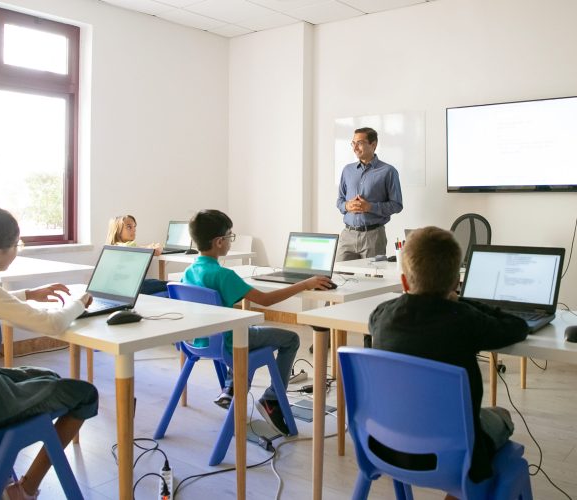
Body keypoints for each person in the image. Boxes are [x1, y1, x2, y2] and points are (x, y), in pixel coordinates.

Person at [369, 226, 528, 493]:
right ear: (456, 282)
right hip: (455, 455)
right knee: (501, 415)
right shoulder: (465, 320)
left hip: (386, 446)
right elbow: (517, 326)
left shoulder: (381, 315)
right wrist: (464, 302)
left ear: (405, 282)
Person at [0, 206, 99, 500]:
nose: (16, 250)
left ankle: (0, 476)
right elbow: (54, 323)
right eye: (15, 245)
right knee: (85, 394)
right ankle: (25, 488)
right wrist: (81, 301)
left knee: (46, 375)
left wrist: (29, 294)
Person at [184, 209, 333, 435]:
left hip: (200, 343)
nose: (231, 241)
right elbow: (266, 300)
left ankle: (231, 387)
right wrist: (305, 283)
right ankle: (271, 400)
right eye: (230, 236)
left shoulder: (189, 272)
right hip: (229, 343)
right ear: (219, 242)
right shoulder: (223, 275)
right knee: (291, 339)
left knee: (243, 326)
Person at [336, 126, 403, 348]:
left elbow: (396, 205)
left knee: (371, 289)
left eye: (360, 142)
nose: (355, 147)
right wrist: (347, 205)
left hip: (373, 235)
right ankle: (333, 333)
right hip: (347, 235)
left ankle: (369, 339)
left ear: (373, 144)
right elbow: (339, 202)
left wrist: (369, 207)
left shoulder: (388, 171)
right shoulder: (347, 170)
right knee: (336, 283)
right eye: (353, 143)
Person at [106, 215, 168, 295]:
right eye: (129, 227)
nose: (134, 230)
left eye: (134, 227)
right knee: (167, 285)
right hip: (133, 287)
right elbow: (157, 251)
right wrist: (159, 247)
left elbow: (139, 247)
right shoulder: (130, 246)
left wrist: (147, 247)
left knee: (155, 282)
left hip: (119, 288)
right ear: (118, 230)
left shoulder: (112, 246)